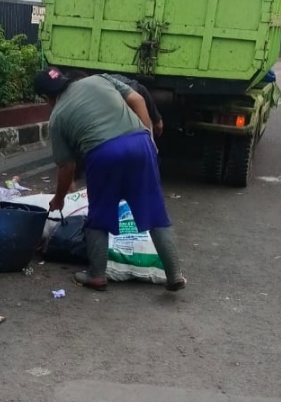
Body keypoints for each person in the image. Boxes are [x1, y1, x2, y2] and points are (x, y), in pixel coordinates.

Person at [35, 68, 185, 293]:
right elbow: (137, 99)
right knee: (155, 213)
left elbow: (67, 167)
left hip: (103, 154)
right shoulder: (99, 80)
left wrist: (59, 199)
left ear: (46, 97)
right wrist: (149, 136)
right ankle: (174, 274)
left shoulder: (57, 117)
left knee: (99, 216)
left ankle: (97, 275)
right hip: (139, 144)